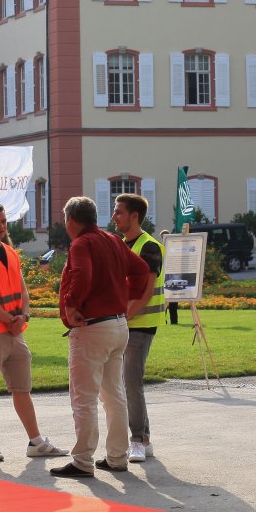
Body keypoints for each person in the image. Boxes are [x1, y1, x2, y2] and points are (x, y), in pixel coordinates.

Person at [50, 196, 151, 479]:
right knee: (114, 394)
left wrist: (71, 305)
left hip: (92, 327)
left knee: (84, 397)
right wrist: (127, 299)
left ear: (71, 220)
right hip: (118, 324)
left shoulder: (82, 243)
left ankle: (83, 460)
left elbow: (82, 274)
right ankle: (117, 457)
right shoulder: (113, 240)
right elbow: (141, 269)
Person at [0, 201, 66, 462]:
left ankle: (36, 441)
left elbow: (23, 291)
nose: (0, 226)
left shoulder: (10, 253)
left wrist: (24, 316)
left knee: (22, 388)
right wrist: (10, 319)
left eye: (3, 221)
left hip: (15, 333)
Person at [111, 193, 163, 463]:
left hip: (141, 324)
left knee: (131, 383)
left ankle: (138, 440)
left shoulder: (149, 247)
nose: (114, 217)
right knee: (124, 383)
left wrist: (123, 317)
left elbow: (145, 292)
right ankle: (145, 439)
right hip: (123, 322)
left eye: (119, 212)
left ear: (134, 216)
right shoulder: (119, 245)